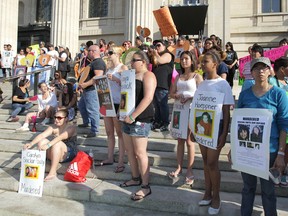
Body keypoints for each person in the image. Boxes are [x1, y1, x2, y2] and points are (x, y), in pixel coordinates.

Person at [229, 57, 288, 216]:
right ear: (251, 72)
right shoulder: (245, 95)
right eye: (257, 68)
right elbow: (237, 121)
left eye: (264, 68)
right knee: (248, 188)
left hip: (270, 151)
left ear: (270, 71)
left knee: (268, 191)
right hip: (247, 149)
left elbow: (284, 125)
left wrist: (281, 154)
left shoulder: (279, 95)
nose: (260, 71)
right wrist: (232, 148)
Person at [196, 50, 234, 215]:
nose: (203, 64)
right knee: (205, 161)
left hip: (216, 126)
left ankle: (216, 197)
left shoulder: (223, 84)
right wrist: (193, 128)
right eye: (202, 61)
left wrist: (224, 133)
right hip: (202, 126)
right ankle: (207, 192)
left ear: (215, 64)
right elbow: (197, 107)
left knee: (212, 162)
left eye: (206, 61)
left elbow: (226, 111)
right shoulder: (202, 83)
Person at [119, 50, 156, 201]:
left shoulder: (148, 75)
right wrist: (122, 112)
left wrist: (133, 116)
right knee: (129, 151)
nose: (132, 62)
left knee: (140, 153)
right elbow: (125, 95)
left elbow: (148, 98)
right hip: (127, 118)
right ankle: (135, 177)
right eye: (131, 60)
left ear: (143, 61)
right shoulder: (130, 76)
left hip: (140, 119)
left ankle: (146, 186)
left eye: (135, 60)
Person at [169, 51, 203, 185]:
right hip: (178, 110)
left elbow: (203, 94)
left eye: (186, 59)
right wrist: (176, 96)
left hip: (191, 109)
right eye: (182, 59)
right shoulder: (178, 77)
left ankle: (189, 170)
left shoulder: (197, 76)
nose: (184, 61)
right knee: (180, 140)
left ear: (192, 60)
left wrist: (191, 97)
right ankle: (179, 167)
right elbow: (171, 92)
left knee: (189, 140)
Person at [95, 46, 127, 172]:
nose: (108, 54)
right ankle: (109, 157)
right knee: (109, 132)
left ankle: (120, 160)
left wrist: (116, 79)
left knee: (120, 133)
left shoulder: (123, 67)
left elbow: (127, 85)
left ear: (118, 54)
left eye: (111, 52)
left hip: (119, 102)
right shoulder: (109, 68)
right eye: (108, 52)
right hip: (107, 101)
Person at [23, 109, 78, 181]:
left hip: (68, 153)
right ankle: (40, 165)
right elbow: (42, 135)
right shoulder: (53, 127)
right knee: (42, 141)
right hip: (56, 151)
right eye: (55, 117)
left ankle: (52, 172)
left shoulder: (71, 127)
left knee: (57, 143)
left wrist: (48, 145)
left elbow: (61, 137)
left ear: (66, 119)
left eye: (59, 118)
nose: (56, 119)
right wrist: (31, 143)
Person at [78, 44, 106, 138]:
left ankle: (95, 130)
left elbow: (98, 77)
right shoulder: (94, 62)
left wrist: (85, 84)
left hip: (92, 90)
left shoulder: (98, 62)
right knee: (82, 106)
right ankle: (87, 122)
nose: (86, 52)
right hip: (87, 89)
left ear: (93, 51)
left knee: (92, 110)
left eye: (88, 50)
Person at [269, 56, 288, 187]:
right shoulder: (271, 82)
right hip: (276, 122)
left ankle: (283, 173)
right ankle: (277, 173)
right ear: (282, 69)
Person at [151, 39, 174, 132]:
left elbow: (160, 61)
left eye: (159, 45)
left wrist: (155, 53)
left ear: (164, 46)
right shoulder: (156, 56)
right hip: (155, 84)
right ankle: (157, 121)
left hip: (163, 83)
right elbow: (154, 62)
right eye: (155, 45)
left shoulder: (168, 54)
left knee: (162, 104)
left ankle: (165, 123)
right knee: (156, 105)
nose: (157, 47)